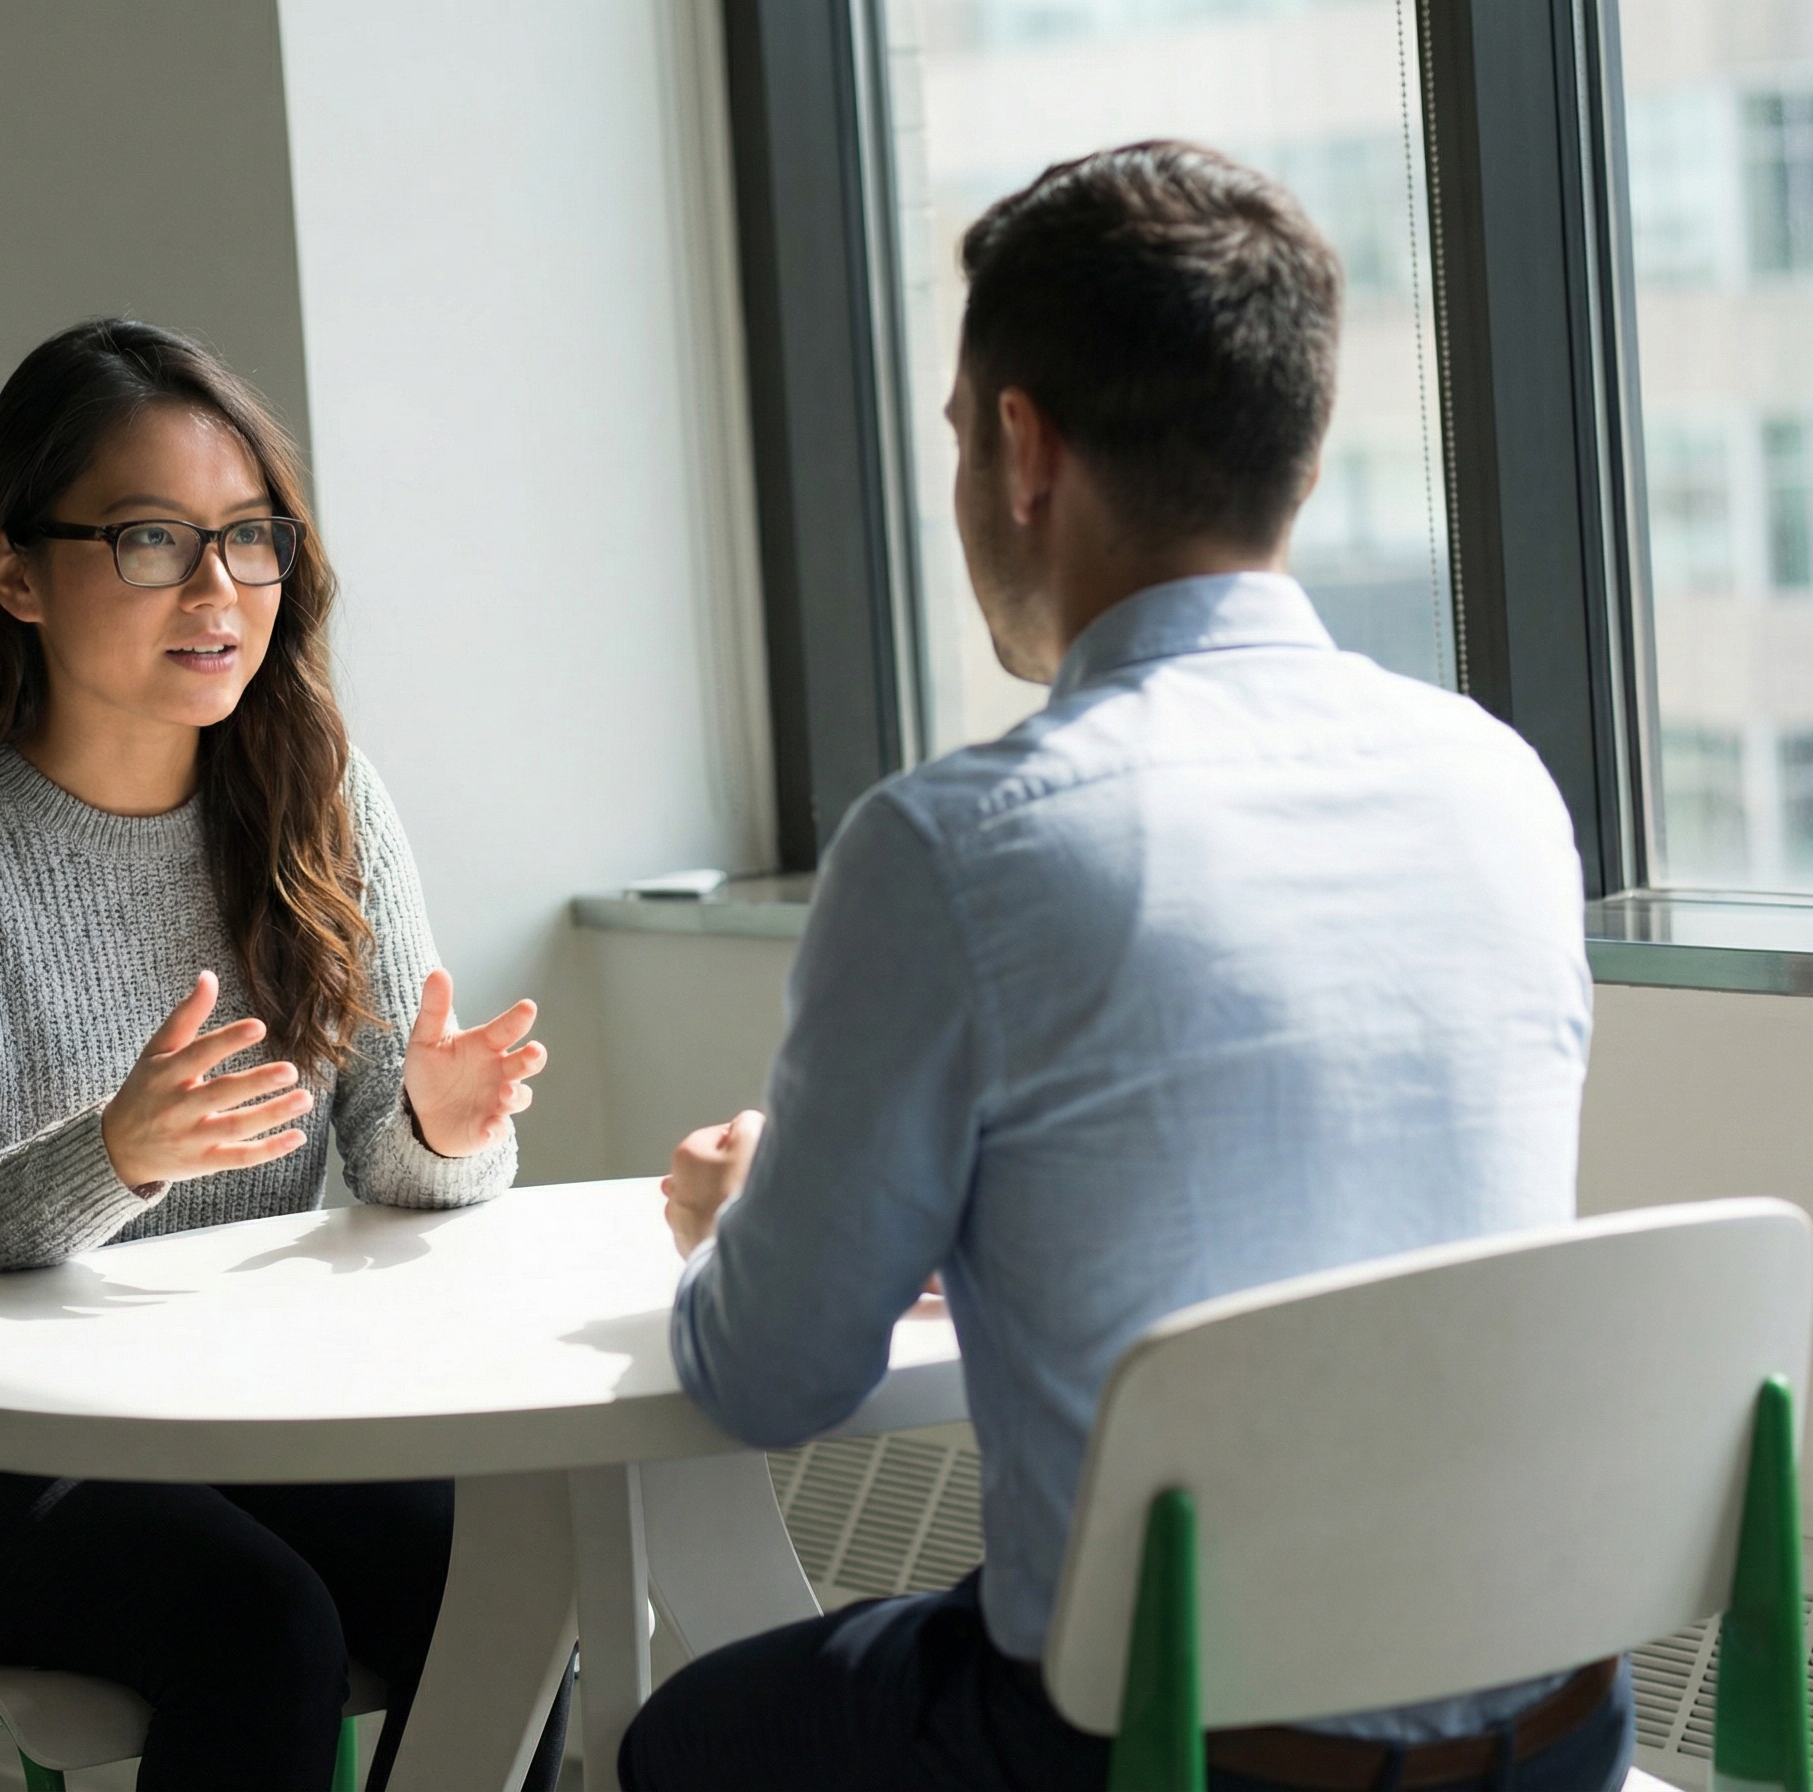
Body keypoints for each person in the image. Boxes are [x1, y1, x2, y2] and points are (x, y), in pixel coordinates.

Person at [620, 143, 1620, 1792]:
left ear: (1022, 450)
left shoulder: (960, 847)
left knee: (691, 1736)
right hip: (1550, 1733)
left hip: (1177, 1757)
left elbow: (773, 1376)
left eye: (955, 435)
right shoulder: (1502, 788)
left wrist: (750, 1215)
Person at [0, 318, 570, 1791]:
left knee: (518, 1572)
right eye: (152, 541)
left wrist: (437, 1126)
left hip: (266, 1417)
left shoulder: (314, 785)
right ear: (15, 574)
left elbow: (395, 1170)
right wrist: (117, 1157)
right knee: (260, 1626)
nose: (219, 591)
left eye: (248, 539)